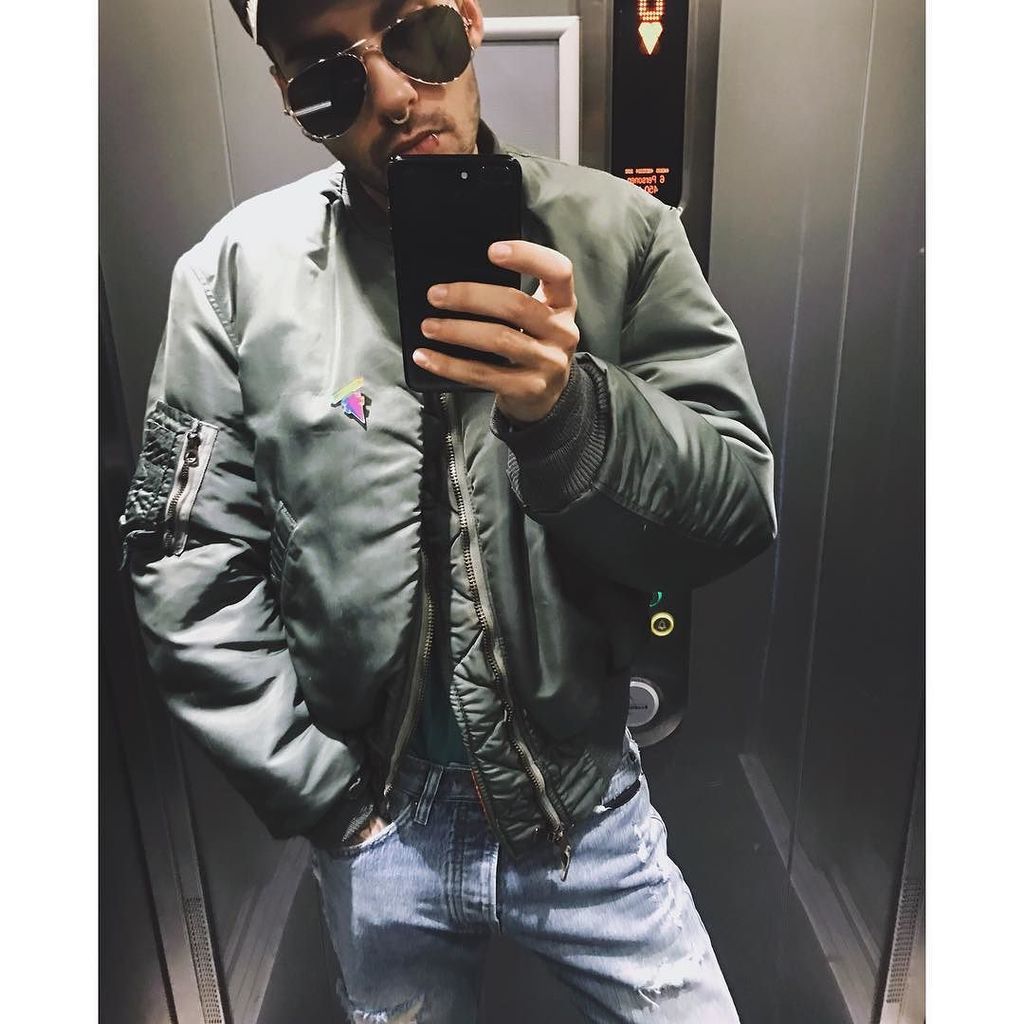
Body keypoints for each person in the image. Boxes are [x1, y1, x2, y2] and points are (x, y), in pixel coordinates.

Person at [119, 0, 777, 1019]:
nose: (391, 95)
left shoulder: (625, 236)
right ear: (288, 94)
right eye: (328, 78)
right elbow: (188, 563)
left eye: (413, 33)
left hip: (584, 802)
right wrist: (325, 800)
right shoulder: (231, 280)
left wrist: (571, 413)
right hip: (381, 823)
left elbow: (735, 505)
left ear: (467, 18)